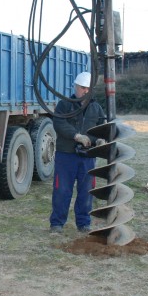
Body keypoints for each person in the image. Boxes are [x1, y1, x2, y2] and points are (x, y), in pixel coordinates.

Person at [49, 71, 106, 234]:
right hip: (66, 155)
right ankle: (57, 223)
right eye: (82, 88)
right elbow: (59, 123)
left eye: (87, 89)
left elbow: (102, 127)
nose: (84, 91)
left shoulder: (96, 107)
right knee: (62, 190)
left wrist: (100, 140)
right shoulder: (64, 105)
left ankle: (84, 223)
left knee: (86, 191)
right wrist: (77, 136)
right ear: (76, 87)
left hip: (87, 156)